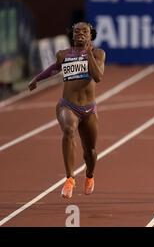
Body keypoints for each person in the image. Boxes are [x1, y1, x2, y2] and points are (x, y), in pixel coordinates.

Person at [28, 22, 106, 199]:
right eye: (77, 31)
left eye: (84, 31)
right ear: (72, 35)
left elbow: (98, 76)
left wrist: (87, 53)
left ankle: (89, 175)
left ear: (90, 34)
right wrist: (37, 79)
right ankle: (70, 178)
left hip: (89, 109)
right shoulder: (64, 54)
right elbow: (54, 68)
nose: (80, 34)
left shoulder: (98, 53)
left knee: (91, 152)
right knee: (69, 130)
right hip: (67, 105)